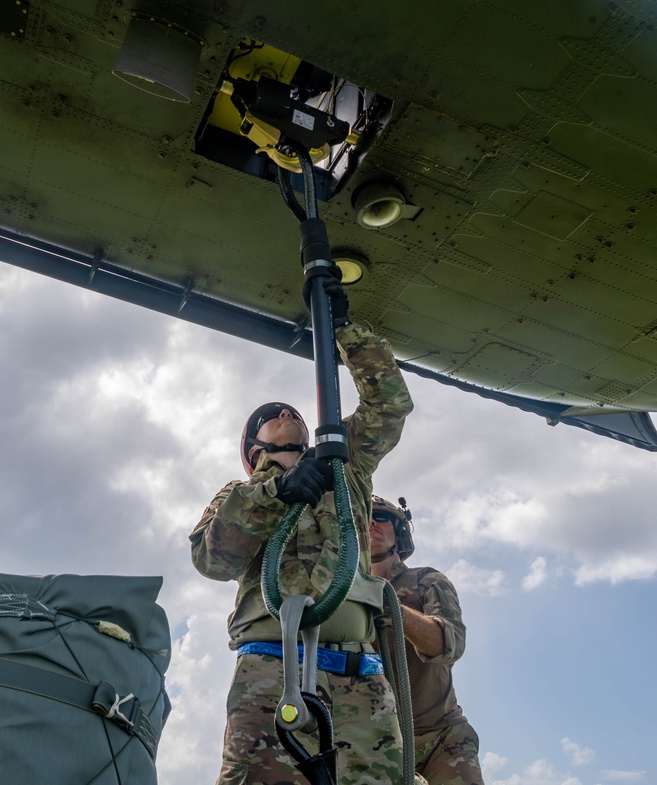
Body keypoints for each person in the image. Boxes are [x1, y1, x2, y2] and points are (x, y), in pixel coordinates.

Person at [190, 276, 415, 785]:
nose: (284, 412)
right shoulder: (239, 495)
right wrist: (279, 491)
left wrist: (346, 333)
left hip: (362, 678)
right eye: (269, 418)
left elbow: (390, 406)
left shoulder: (344, 464)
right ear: (253, 452)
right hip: (274, 670)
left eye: (291, 410)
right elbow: (212, 560)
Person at [369, 496, 485, 785]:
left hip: (441, 739)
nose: (371, 523)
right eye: (363, 517)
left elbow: (450, 644)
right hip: (371, 741)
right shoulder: (339, 593)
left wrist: (394, 610)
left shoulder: (425, 580)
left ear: (400, 533)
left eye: (381, 517)